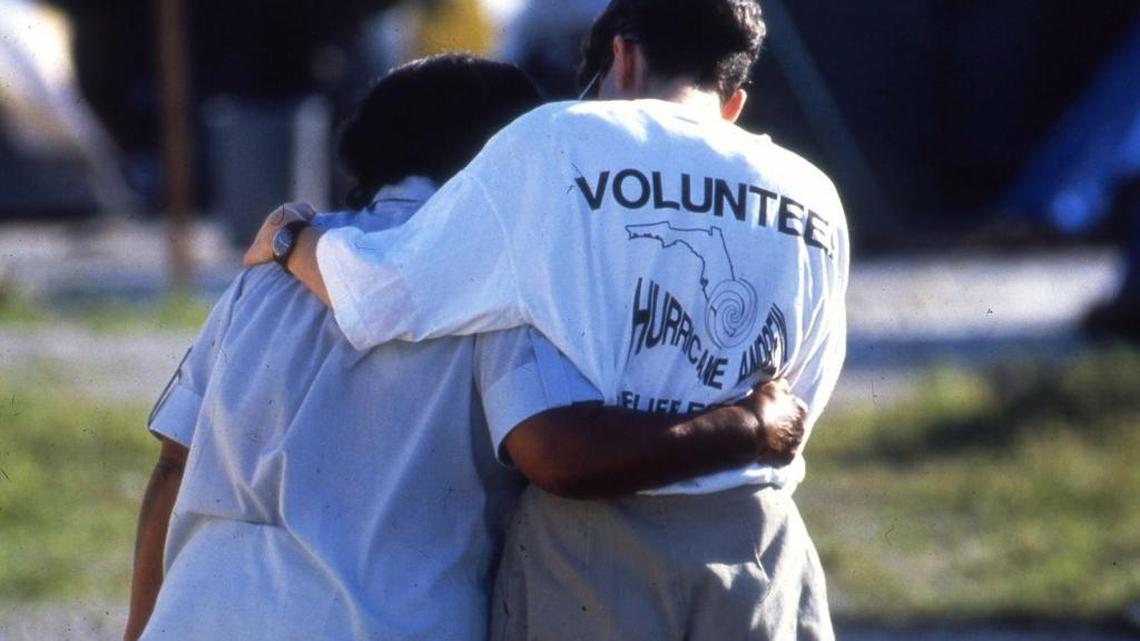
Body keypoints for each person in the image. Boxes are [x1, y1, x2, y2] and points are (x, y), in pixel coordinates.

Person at [127, 53, 806, 641]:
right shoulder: (504, 289)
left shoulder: (268, 273)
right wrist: (745, 425)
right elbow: (560, 453)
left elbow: (171, 466)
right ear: (510, 159)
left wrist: (139, 628)